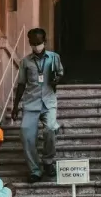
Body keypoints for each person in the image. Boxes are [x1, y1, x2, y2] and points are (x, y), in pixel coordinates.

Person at [11, 28, 63, 183]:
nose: (36, 45)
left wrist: (57, 80)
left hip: (48, 101)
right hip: (31, 102)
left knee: (51, 128)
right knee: (26, 134)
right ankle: (35, 170)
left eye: (38, 42)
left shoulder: (54, 58)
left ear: (44, 41)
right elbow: (21, 84)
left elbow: (60, 74)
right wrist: (15, 107)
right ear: (29, 42)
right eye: (33, 43)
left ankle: (48, 161)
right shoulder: (25, 62)